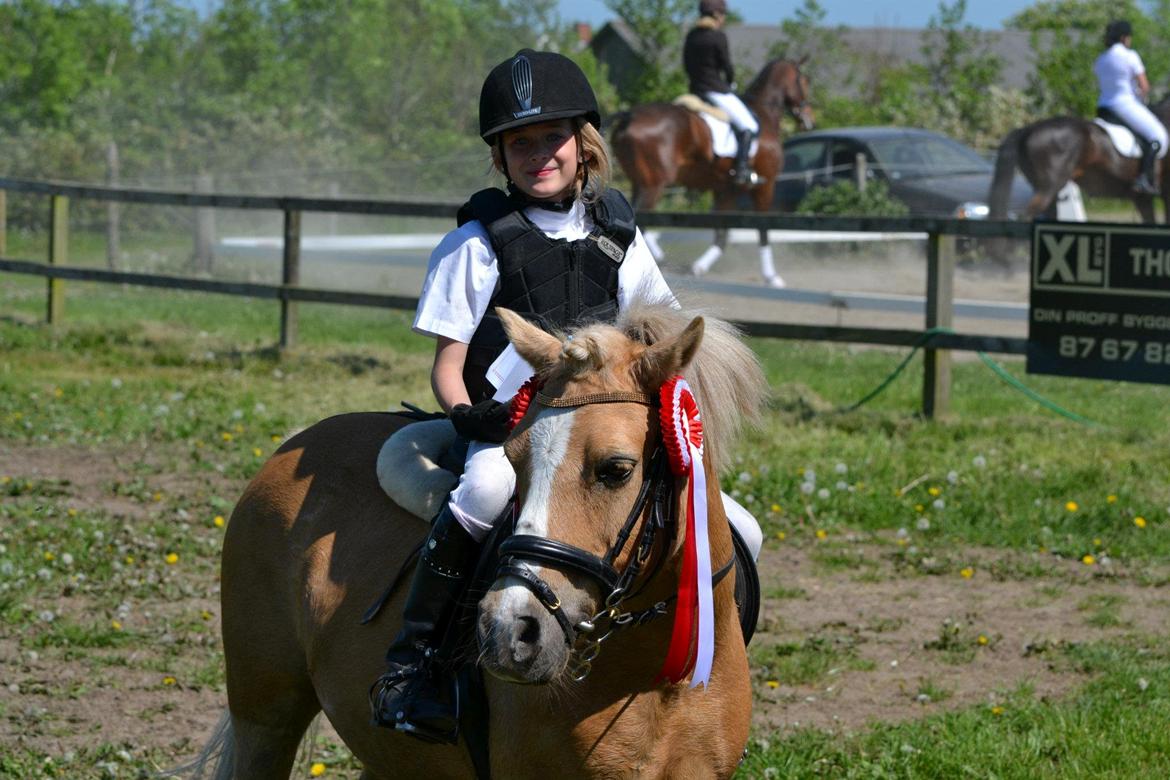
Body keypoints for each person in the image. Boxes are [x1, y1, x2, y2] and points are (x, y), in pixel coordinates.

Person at [369, 49, 765, 744]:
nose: (538, 154)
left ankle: (711, 662)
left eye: (552, 138)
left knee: (743, 529)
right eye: (520, 143)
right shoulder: (476, 241)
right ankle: (418, 666)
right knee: (484, 493)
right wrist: (469, 417)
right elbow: (448, 364)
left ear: (583, 145)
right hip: (513, 432)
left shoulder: (619, 233)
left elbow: (657, 332)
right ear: (500, 157)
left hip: (599, 432)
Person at [683, 0, 758, 185]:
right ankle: (741, 169)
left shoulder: (691, 36)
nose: (723, 19)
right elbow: (727, 66)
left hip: (695, 90)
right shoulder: (717, 36)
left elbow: (686, 64)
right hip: (716, 90)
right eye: (723, 15)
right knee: (749, 125)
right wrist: (731, 82)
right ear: (716, 15)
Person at [1094, 19, 1167, 195]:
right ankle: (1143, 178)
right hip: (1125, 104)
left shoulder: (1101, 59)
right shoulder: (1130, 56)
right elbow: (1144, 86)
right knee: (1158, 137)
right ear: (1124, 38)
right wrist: (1142, 97)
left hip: (1103, 107)